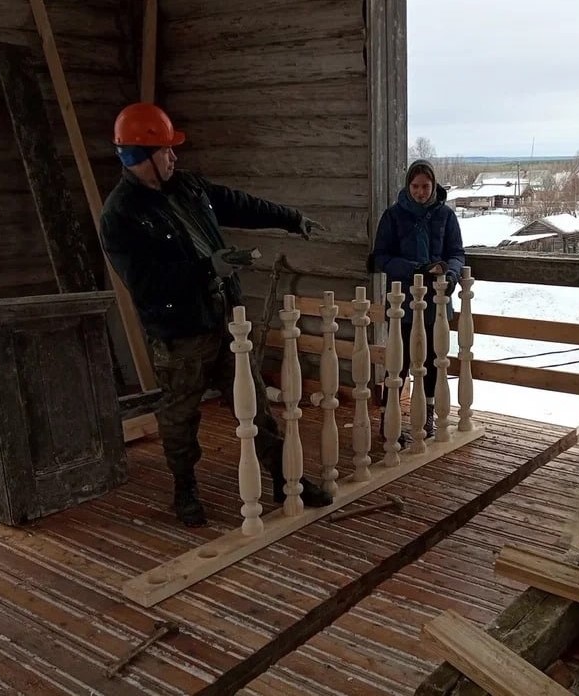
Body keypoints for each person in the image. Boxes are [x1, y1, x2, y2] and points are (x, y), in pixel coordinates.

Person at [99, 102, 334, 527]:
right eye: (166, 150)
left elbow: (239, 204)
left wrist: (290, 218)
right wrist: (208, 267)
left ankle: (285, 481)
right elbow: (146, 282)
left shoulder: (187, 188)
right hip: (180, 333)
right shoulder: (120, 216)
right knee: (181, 416)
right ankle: (185, 491)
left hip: (226, 320)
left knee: (257, 405)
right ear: (140, 156)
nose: (174, 157)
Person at [371, 159, 466, 442]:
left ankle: (426, 420)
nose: (421, 192)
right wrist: (416, 268)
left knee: (432, 361)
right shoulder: (393, 216)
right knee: (397, 363)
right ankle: (390, 421)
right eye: (415, 186)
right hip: (403, 300)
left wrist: (450, 274)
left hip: (436, 301)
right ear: (408, 186)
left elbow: (457, 253)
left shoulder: (446, 216)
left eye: (426, 186)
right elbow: (381, 258)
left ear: (434, 185)